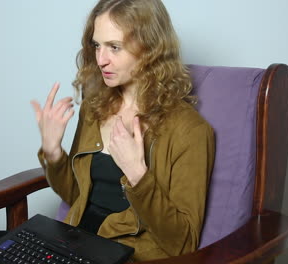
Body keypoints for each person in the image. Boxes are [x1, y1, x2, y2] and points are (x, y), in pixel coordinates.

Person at [31, 0, 214, 261]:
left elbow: (183, 243)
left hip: (130, 257)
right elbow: (77, 197)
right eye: (97, 45)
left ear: (149, 48)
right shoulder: (95, 108)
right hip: (74, 246)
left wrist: (138, 174)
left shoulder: (191, 132)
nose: (101, 60)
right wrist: (53, 154)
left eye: (114, 47)